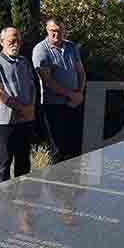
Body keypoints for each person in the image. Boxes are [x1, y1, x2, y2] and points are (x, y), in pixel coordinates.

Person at [32, 19, 86, 164]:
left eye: (60, 31)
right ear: (47, 30)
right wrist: (71, 95)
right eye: (53, 31)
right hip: (53, 106)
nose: (57, 34)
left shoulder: (71, 46)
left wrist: (79, 93)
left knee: (76, 147)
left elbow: (81, 72)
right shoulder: (41, 50)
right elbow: (47, 81)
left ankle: (74, 177)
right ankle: (58, 179)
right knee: (58, 149)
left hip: (75, 104)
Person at [0, 27, 36, 183]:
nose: (16, 44)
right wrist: (22, 109)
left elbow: (32, 87)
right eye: (12, 41)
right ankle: (4, 196)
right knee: (4, 163)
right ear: (2, 42)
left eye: (18, 41)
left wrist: (31, 108)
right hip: (5, 122)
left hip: (25, 120)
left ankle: (22, 195)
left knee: (24, 162)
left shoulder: (24, 61)